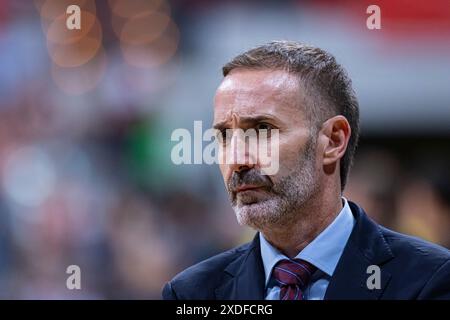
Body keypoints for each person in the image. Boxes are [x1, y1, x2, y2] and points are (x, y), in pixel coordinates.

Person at [162, 41, 450, 300]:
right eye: (224, 136)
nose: (238, 160)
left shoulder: (429, 280)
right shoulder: (190, 292)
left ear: (333, 140)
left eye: (263, 130)